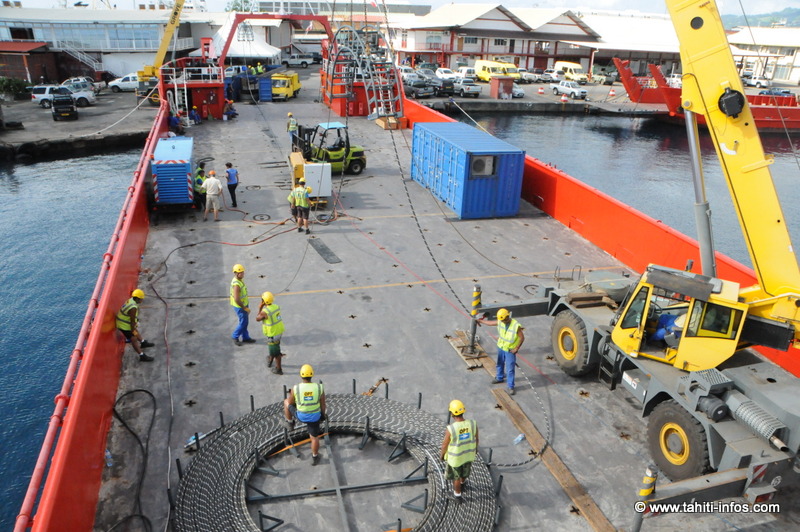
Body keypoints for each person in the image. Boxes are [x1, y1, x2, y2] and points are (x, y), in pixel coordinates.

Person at [284, 364, 326, 465]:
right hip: (315, 417)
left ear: (301, 375)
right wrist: (323, 416)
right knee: (314, 438)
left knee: (285, 402)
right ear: (312, 375)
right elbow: (323, 404)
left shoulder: (296, 388)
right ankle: (315, 456)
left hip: (301, 416)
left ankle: (290, 422)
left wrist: (294, 395)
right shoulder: (319, 387)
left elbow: (290, 401)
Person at [479, 308, 524, 395]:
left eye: (504, 320)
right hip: (501, 347)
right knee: (500, 363)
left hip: (510, 350)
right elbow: (491, 323)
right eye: (501, 320)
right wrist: (481, 321)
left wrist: (516, 348)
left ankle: (510, 386)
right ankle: (499, 378)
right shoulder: (501, 321)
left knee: (510, 368)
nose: (503, 322)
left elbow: (522, 337)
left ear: (508, 316)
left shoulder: (515, 325)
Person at [440, 399, 478, 499]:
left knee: (456, 477)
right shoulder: (473, 424)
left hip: (456, 459)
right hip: (468, 455)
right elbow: (476, 439)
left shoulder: (451, 429)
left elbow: (445, 445)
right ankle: (463, 483)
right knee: (464, 472)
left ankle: (457, 495)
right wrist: (475, 451)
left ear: (452, 413)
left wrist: (442, 455)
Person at [115, 288, 155, 362]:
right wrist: (133, 329)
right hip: (123, 325)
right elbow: (132, 321)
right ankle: (141, 355)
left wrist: (134, 328)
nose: (142, 300)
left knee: (135, 332)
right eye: (141, 299)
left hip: (124, 322)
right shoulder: (133, 308)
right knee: (133, 339)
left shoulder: (131, 300)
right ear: (137, 299)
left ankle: (143, 342)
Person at [256, 291, 284, 374]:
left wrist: (260, 308)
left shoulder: (265, 311)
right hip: (278, 330)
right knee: (274, 348)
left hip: (273, 334)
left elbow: (257, 318)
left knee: (276, 352)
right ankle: (270, 359)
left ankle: (279, 369)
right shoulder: (276, 306)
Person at [230, 263, 255, 346]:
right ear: (237, 273)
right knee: (243, 322)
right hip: (240, 306)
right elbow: (237, 299)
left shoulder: (239, 280)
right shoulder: (236, 284)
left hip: (243, 305)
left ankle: (245, 337)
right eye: (242, 273)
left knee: (245, 321)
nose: (243, 274)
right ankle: (235, 336)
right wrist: (244, 307)